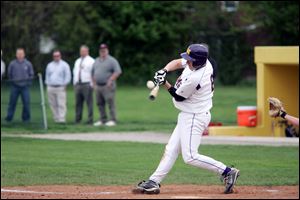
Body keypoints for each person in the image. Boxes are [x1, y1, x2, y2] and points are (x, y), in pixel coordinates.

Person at [133, 44, 240, 195]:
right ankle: (153, 181)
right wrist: (164, 70)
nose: (187, 61)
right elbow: (177, 62)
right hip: (188, 114)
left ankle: (227, 171)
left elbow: (179, 96)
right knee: (171, 149)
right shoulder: (200, 62)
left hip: (195, 116)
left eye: (190, 60)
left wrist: (165, 83)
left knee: (190, 156)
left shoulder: (197, 77)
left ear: (197, 62)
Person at [92, 44, 122, 127]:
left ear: (107, 50)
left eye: (104, 50)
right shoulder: (96, 60)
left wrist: (111, 80)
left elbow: (118, 71)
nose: (103, 51)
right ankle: (103, 119)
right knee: (99, 103)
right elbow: (93, 73)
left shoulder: (112, 60)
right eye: (101, 50)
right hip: (98, 86)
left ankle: (113, 120)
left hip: (108, 86)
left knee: (110, 103)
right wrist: (94, 84)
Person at [5, 48, 34, 122]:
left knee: (26, 104)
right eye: (18, 54)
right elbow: (9, 74)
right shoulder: (12, 64)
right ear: (16, 55)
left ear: (24, 54)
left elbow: (31, 74)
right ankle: (9, 118)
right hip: (15, 87)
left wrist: (28, 83)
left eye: (21, 54)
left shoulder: (28, 64)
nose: (20, 55)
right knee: (12, 103)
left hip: (25, 87)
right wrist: (13, 82)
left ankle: (26, 119)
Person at [45, 50, 71, 123]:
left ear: (60, 56)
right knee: (53, 104)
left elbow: (67, 76)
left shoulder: (64, 65)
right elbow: (47, 76)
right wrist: (47, 85)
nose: (56, 57)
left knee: (61, 104)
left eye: (58, 56)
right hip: (51, 87)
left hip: (60, 87)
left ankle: (61, 119)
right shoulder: (49, 65)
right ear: (53, 57)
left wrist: (65, 84)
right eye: (55, 56)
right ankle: (56, 118)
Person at [73, 45, 95, 124]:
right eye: (81, 51)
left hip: (87, 84)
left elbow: (93, 73)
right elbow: (75, 72)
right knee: (78, 103)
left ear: (87, 51)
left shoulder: (91, 61)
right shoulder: (77, 61)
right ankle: (77, 119)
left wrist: (92, 84)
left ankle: (90, 119)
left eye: (83, 51)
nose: (82, 52)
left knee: (89, 103)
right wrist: (74, 83)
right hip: (78, 84)